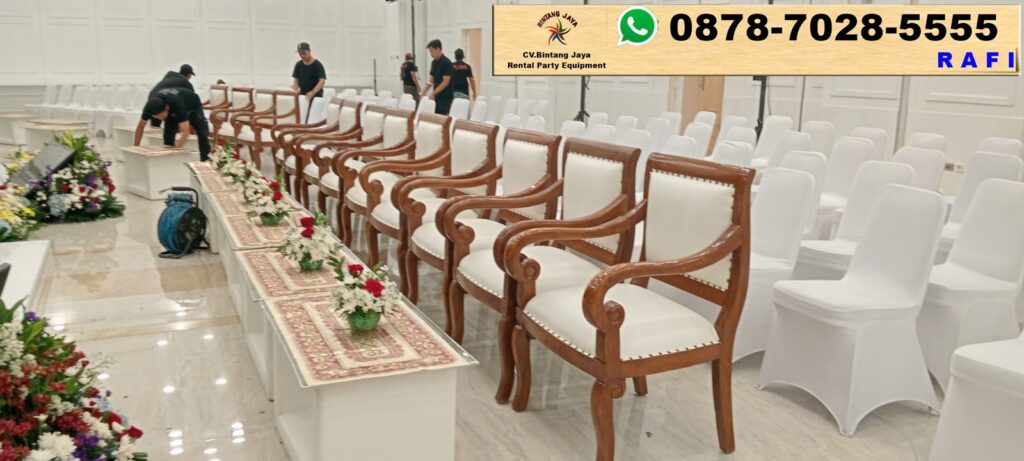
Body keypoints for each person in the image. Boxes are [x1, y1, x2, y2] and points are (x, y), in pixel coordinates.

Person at [137, 87, 211, 161]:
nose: (159, 119)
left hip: (192, 104)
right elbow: (140, 127)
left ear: (166, 108)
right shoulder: (149, 107)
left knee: (202, 132)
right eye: (156, 117)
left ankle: (205, 159)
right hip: (172, 107)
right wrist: (136, 147)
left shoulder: (176, 104)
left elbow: (186, 132)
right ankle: (167, 160)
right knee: (168, 135)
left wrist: (175, 151)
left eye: (161, 116)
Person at [133, 65, 197, 146]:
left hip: (153, 98)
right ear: (189, 75)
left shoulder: (169, 75)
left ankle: (157, 145)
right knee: (171, 129)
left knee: (156, 129)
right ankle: (168, 145)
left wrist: (136, 146)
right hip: (164, 102)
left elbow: (140, 127)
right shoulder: (187, 84)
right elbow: (192, 105)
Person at [292, 42, 326, 122]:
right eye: (300, 54)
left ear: (309, 51)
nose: (302, 55)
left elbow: (322, 81)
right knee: (301, 117)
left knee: (312, 118)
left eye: (304, 53)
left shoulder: (317, 65)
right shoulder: (298, 65)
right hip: (303, 96)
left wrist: (313, 92)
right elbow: (296, 81)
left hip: (316, 96)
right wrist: (295, 89)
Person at [422, 39, 453, 115]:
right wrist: (423, 91)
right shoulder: (434, 63)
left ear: (438, 49)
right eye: (430, 51)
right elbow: (431, 79)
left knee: (442, 118)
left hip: (445, 99)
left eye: (432, 51)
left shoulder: (447, 63)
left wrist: (434, 93)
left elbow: (446, 82)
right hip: (436, 98)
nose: (431, 54)